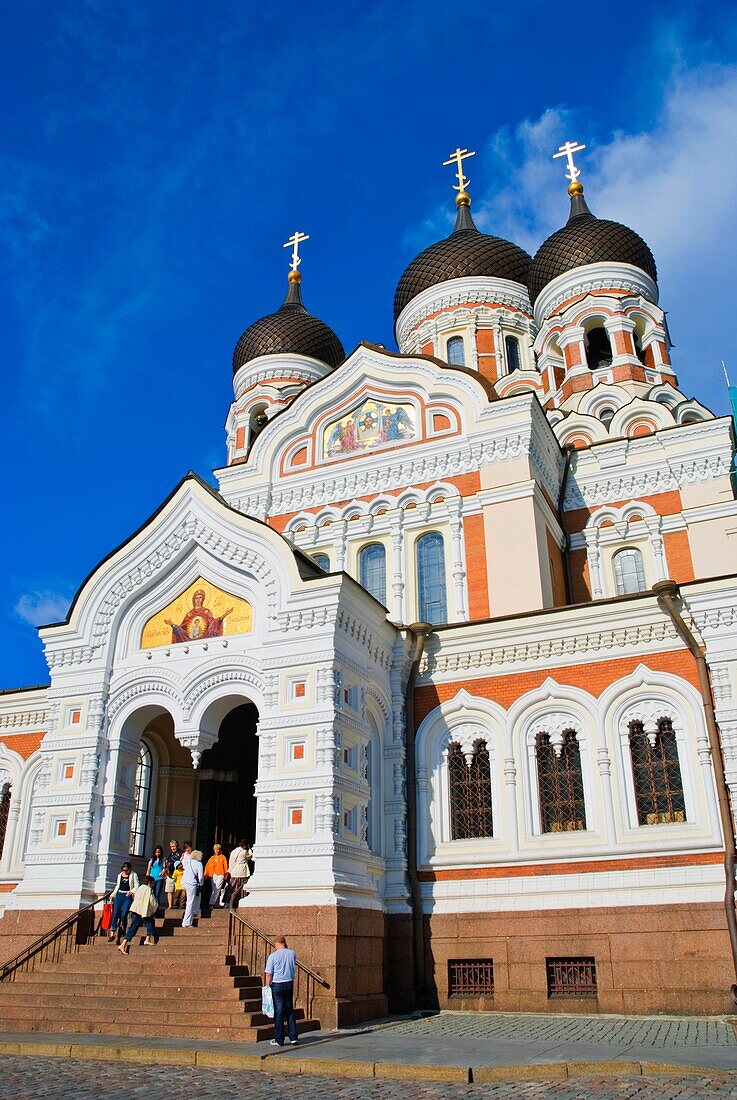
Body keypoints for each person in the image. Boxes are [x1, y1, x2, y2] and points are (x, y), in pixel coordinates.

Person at [264, 935, 299, 1047]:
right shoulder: (292, 953)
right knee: (289, 1010)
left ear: (276, 944)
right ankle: (293, 1037)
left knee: (279, 1012)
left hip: (277, 984)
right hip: (289, 983)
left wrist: (267, 986)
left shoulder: (272, 956)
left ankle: (279, 1039)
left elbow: (269, 973)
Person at [118, 876, 158, 953]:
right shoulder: (148, 889)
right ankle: (147, 939)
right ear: (149, 883)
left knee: (133, 927)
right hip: (143, 910)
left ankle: (123, 944)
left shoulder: (140, 888)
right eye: (153, 883)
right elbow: (152, 901)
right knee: (150, 922)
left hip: (136, 909)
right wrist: (155, 907)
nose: (153, 885)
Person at [108, 862, 138, 943]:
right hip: (119, 895)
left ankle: (123, 928)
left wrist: (131, 892)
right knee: (115, 914)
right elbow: (117, 886)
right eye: (123, 870)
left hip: (127, 895)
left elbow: (136, 885)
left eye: (126, 870)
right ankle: (112, 933)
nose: (125, 872)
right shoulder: (119, 875)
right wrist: (113, 894)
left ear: (129, 869)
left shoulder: (133, 874)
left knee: (124, 914)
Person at [224, 838, 252, 910]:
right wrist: (249, 849)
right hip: (241, 872)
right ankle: (239, 902)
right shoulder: (244, 852)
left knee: (232, 888)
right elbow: (250, 856)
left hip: (234, 872)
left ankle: (228, 902)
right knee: (240, 888)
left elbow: (231, 862)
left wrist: (230, 871)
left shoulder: (233, 851)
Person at [181, 848, 204, 927]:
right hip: (191, 883)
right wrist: (201, 884)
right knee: (190, 903)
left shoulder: (189, 863)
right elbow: (200, 877)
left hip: (184, 882)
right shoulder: (199, 864)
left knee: (191, 900)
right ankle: (186, 922)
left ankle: (195, 911)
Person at [146, 845, 167, 913]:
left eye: (159, 852)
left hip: (159, 878)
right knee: (151, 893)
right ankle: (151, 908)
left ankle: (156, 909)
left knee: (157, 894)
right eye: (156, 852)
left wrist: (163, 871)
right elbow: (148, 869)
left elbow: (165, 867)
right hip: (152, 878)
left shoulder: (163, 859)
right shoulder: (152, 860)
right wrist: (147, 877)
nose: (158, 854)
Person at [164, 839, 181, 910]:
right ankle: (170, 906)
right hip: (170, 874)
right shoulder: (170, 854)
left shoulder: (181, 853)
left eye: (174, 846)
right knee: (169, 890)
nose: (173, 848)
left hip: (178, 874)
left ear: (177, 846)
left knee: (178, 891)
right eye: (171, 847)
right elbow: (167, 864)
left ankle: (176, 905)